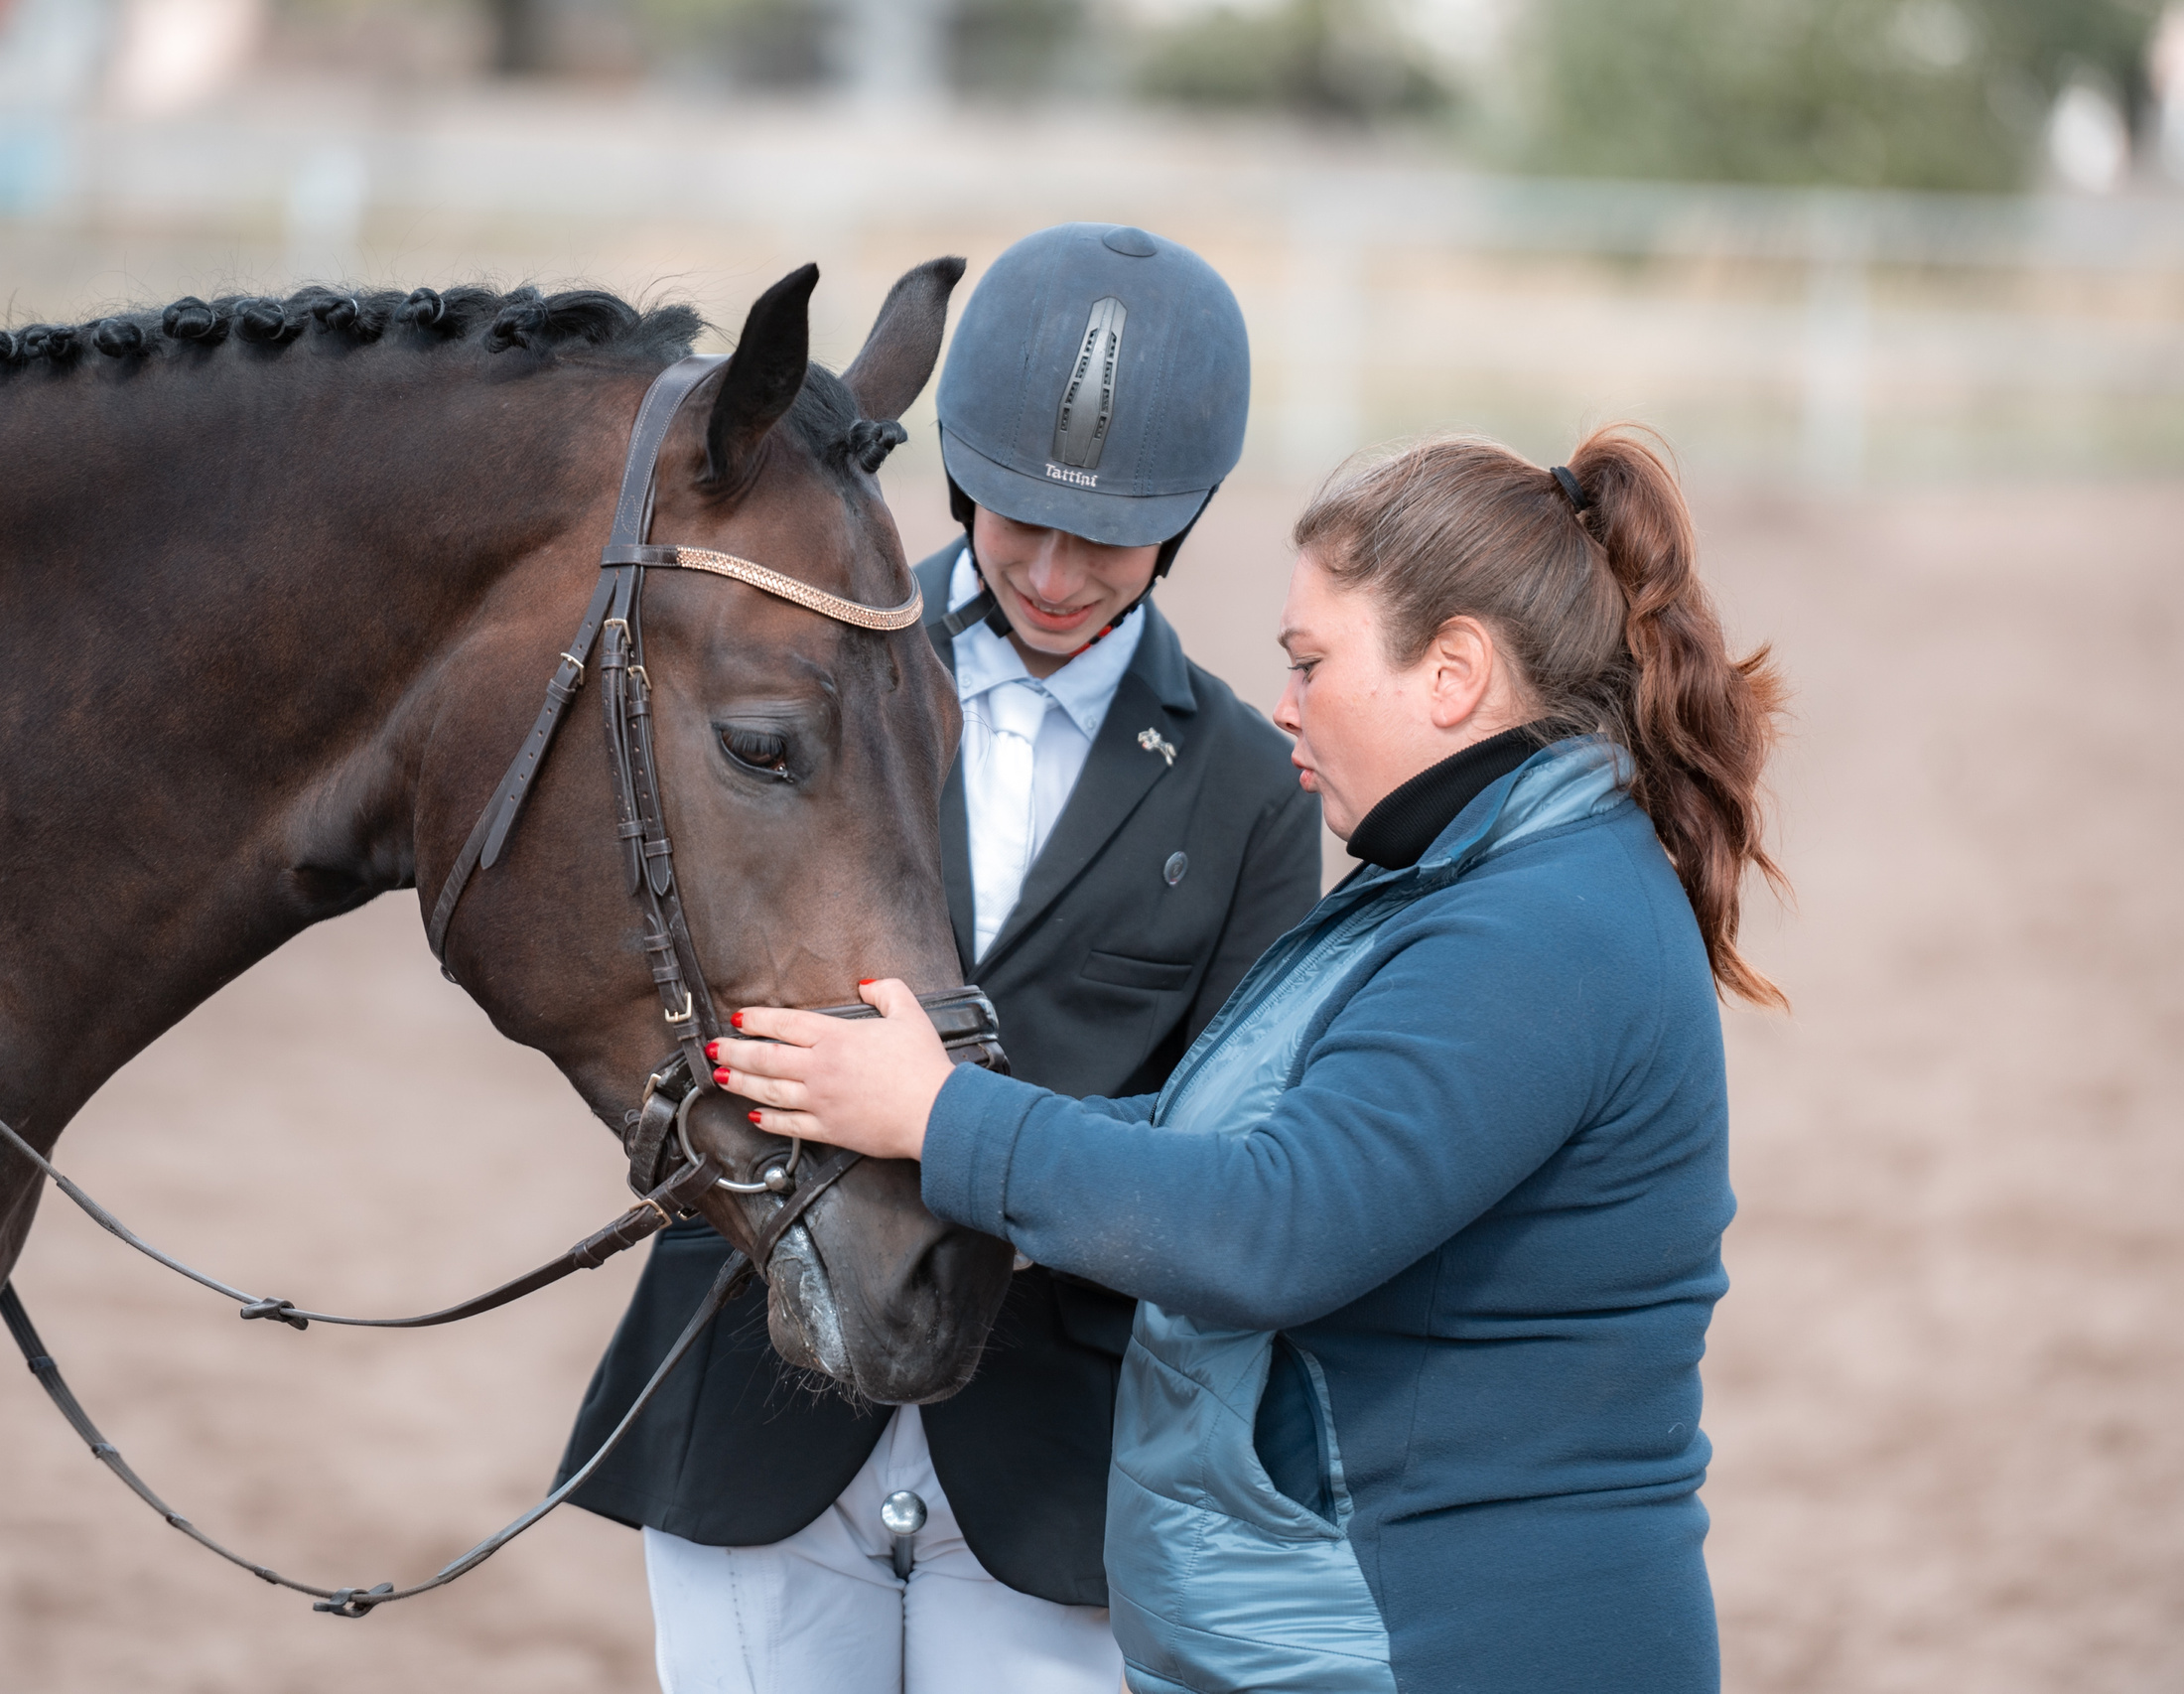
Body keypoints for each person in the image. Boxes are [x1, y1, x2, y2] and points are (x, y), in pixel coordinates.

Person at [713, 427, 1787, 1694]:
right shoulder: (1469, 882)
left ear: (1452, 671)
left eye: (1310, 660)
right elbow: (1213, 1137)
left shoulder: (1539, 926)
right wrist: (914, 1117)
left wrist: (943, 1117)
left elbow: (1273, 1222)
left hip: (1457, 1642)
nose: (1282, 701)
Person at [553, 224, 1322, 1693]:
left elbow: (1233, 1137)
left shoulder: (1246, 785)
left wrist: (980, 1146)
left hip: (1052, 1454)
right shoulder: (797, 681)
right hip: (754, 1387)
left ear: (1193, 510)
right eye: (1012, 512)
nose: (1048, 567)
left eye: (1107, 533)